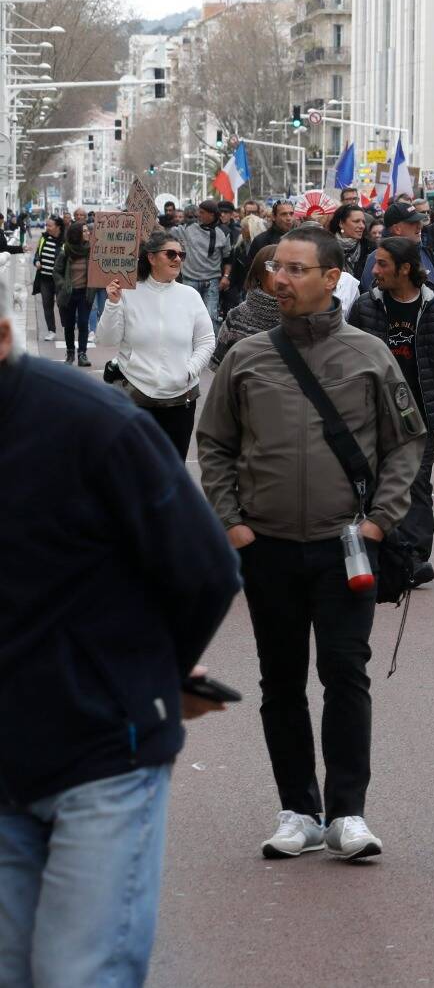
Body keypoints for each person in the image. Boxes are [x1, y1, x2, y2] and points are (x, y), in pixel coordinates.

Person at [0, 269, 240, 987]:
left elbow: (205, 568)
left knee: (80, 971)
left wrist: (157, 670)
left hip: (103, 747)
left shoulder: (95, 424)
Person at [196, 226, 428, 863]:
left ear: (332, 280)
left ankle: (349, 813)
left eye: (298, 270)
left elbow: (406, 441)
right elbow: (213, 443)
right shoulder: (246, 357)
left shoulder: (370, 355)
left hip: (346, 545)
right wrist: (232, 523)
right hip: (265, 545)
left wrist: (380, 521)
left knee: (345, 675)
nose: (282, 280)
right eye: (278, 268)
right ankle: (297, 809)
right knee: (280, 681)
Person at [348, 237, 434, 583]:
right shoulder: (365, 307)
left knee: (416, 485)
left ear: (405, 269)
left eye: (383, 264)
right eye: (375, 263)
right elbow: (348, 359)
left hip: (420, 415)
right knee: (374, 485)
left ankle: (413, 559)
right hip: (373, 414)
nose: (375, 271)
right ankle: (380, 552)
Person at [96, 231, 216, 460]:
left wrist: (189, 370)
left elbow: (206, 340)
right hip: (135, 397)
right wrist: (113, 303)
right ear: (151, 258)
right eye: (171, 253)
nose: (178, 259)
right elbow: (106, 340)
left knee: (173, 469)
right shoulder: (129, 293)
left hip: (181, 401)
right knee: (135, 468)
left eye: (182, 254)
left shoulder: (189, 296)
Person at [174, 200, 230, 326]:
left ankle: (210, 345)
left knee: (210, 317)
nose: (198, 215)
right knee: (188, 316)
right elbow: (169, 232)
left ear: (212, 215)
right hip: (190, 280)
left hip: (212, 281)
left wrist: (226, 277)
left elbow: (228, 258)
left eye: (202, 212)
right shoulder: (189, 228)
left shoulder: (224, 233)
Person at [54, 221, 96, 367]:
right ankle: (70, 353)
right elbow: (57, 272)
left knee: (84, 323)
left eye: (87, 231)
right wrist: (63, 285)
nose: (88, 233)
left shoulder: (91, 250)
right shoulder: (66, 250)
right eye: (84, 231)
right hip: (68, 294)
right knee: (69, 324)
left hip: (85, 293)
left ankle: (82, 354)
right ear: (76, 234)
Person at [383, 202, 434, 297]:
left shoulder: (427, 254)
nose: (420, 226)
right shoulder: (378, 260)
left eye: (419, 221)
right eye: (413, 222)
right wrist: (431, 299)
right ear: (397, 229)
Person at [28, 213, 63, 341]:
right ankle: (51, 330)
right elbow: (37, 254)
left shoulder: (64, 241)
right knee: (47, 305)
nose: (47, 227)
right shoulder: (44, 238)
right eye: (46, 225)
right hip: (44, 279)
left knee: (62, 304)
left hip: (59, 280)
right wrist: (36, 261)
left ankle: (66, 324)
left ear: (58, 226)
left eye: (50, 225)